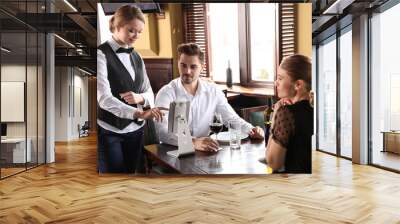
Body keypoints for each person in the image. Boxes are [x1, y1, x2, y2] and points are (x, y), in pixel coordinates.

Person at [155, 43, 264, 151]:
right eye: (183, 65)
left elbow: (231, 118)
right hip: (172, 151)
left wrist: (252, 129)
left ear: (202, 67)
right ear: (178, 63)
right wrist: (192, 142)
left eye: (193, 67)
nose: (187, 71)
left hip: (204, 149)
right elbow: (162, 132)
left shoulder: (213, 91)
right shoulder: (166, 93)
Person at [97, 5, 164, 173]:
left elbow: (149, 92)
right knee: (115, 179)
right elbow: (104, 98)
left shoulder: (137, 56)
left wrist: (140, 98)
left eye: (140, 31)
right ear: (117, 26)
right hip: (110, 131)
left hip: (137, 130)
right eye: (131, 30)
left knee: (135, 177)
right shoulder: (100, 54)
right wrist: (138, 113)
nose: (136, 36)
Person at [265, 54, 313, 173]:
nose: (276, 83)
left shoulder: (286, 113)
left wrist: (276, 115)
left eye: (280, 78)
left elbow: (273, 162)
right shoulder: (315, 109)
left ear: (298, 85)